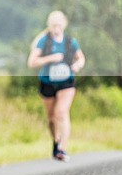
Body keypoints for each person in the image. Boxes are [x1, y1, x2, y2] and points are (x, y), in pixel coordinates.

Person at [26, 10, 85, 162]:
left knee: (61, 112)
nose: (56, 28)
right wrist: (50, 58)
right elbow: (32, 62)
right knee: (51, 118)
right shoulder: (43, 41)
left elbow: (81, 58)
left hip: (66, 82)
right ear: (49, 26)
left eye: (59, 25)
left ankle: (62, 149)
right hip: (47, 82)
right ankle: (55, 140)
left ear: (64, 24)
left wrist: (78, 65)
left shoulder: (70, 41)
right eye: (53, 25)